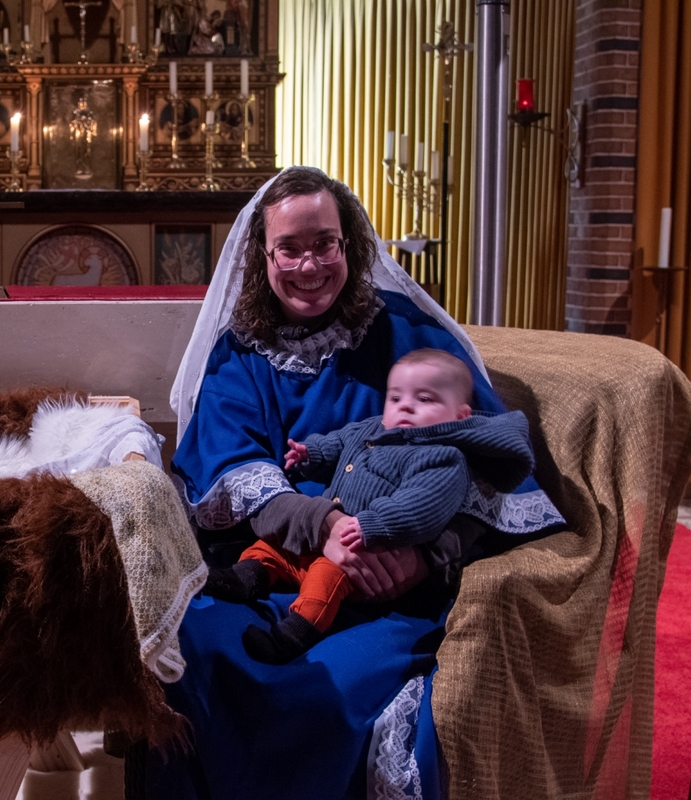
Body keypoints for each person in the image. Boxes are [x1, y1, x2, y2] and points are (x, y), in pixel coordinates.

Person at [140, 166, 564, 799]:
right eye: (289, 248)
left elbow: (484, 453)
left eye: (325, 244)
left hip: (386, 587)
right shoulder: (239, 353)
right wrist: (328, 526)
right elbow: (230, 467)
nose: (309, 265)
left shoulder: (409, 333)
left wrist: (423, 558)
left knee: (330, 693)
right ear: (263, 256)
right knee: (196, 655)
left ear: (351, 245)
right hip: (269, 570)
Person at [204, 348, 535, 664]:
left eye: (424, 399)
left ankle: (292, 634)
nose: (405, 407)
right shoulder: (372, 428)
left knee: (327, 577)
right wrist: (311, 454)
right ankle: (245, 577)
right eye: (396, 398)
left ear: (460, 416)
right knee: (273, 546)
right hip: (323, 535)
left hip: (369, 553)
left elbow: (421, 506)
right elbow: (339, 441)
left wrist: (376, 525)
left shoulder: (443, 457)